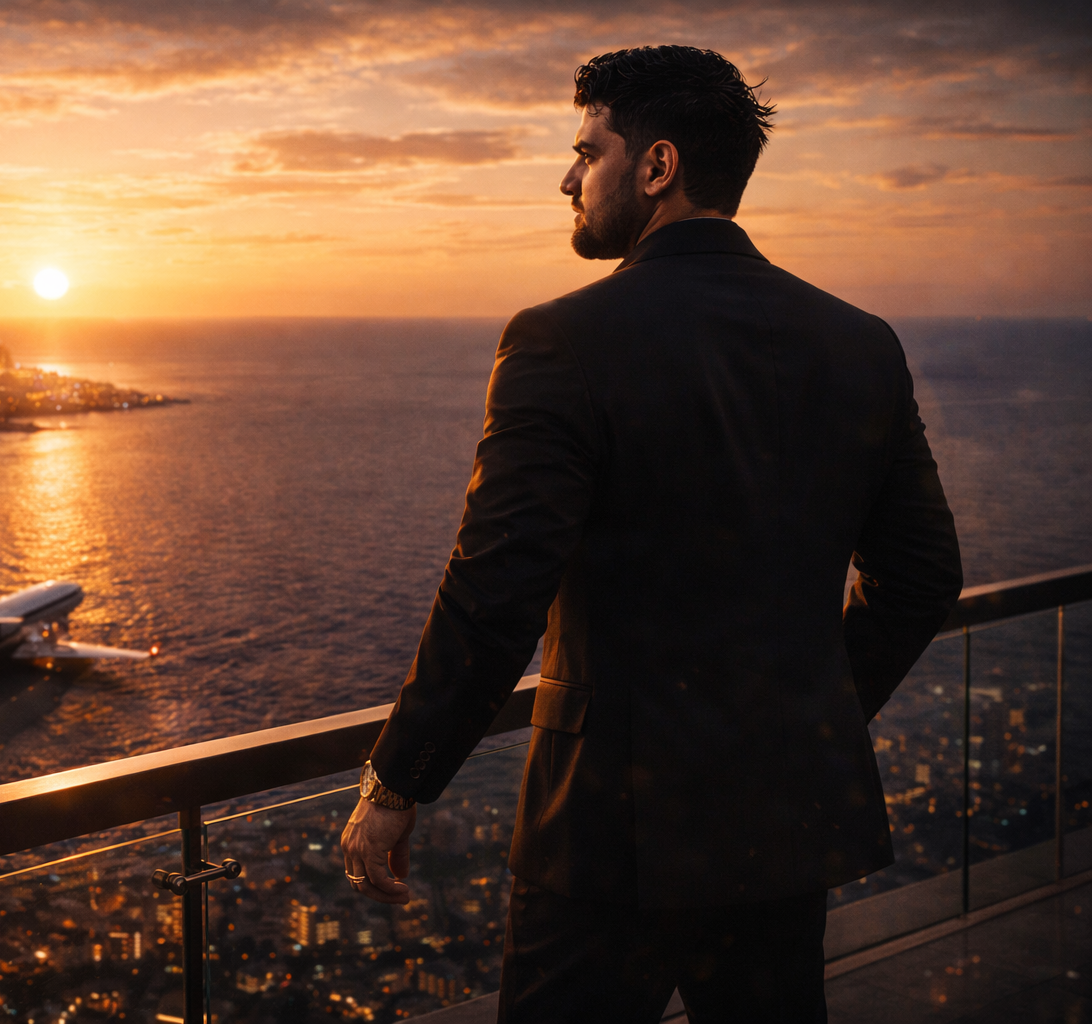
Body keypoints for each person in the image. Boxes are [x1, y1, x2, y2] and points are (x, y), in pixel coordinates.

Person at [339, 45, 962, 1022]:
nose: (567, 177)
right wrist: (803, 714)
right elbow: (923, 576)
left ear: (657, 165)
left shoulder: (559, 340)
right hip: (781, 819)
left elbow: (496, 592)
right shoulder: (861, 341)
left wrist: (397, 777)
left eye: (587, 151)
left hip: (607, 833)